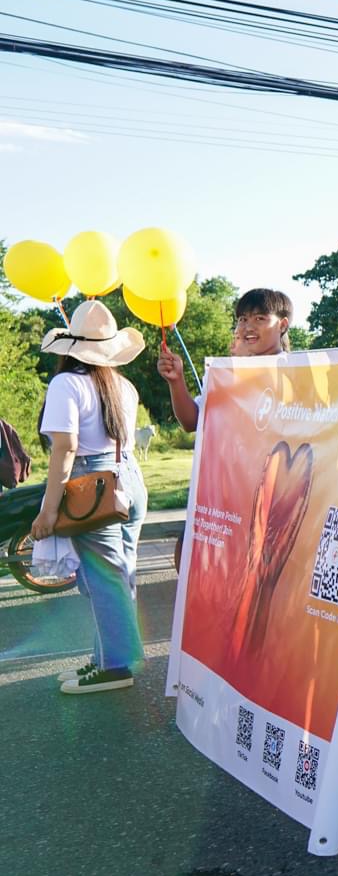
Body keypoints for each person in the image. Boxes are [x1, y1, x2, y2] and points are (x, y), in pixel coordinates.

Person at [32, 300, 149, 694]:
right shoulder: (124, 385)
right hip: (128, 479)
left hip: (92, 484)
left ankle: (115, 667)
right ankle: (107, 658)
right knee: (119, 577)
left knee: (106, 580)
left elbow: (64, 449)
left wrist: (48, 512)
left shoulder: (66, 383)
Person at [158, 288, 292, 570]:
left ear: (282, 324)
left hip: (268, 500)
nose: (247, 327)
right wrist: (176, 381)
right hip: (220, 496)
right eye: (242, 319)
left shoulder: (296, 371)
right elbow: (191, 421)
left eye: (259, 318)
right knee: (190, 562)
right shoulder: (223, 373)